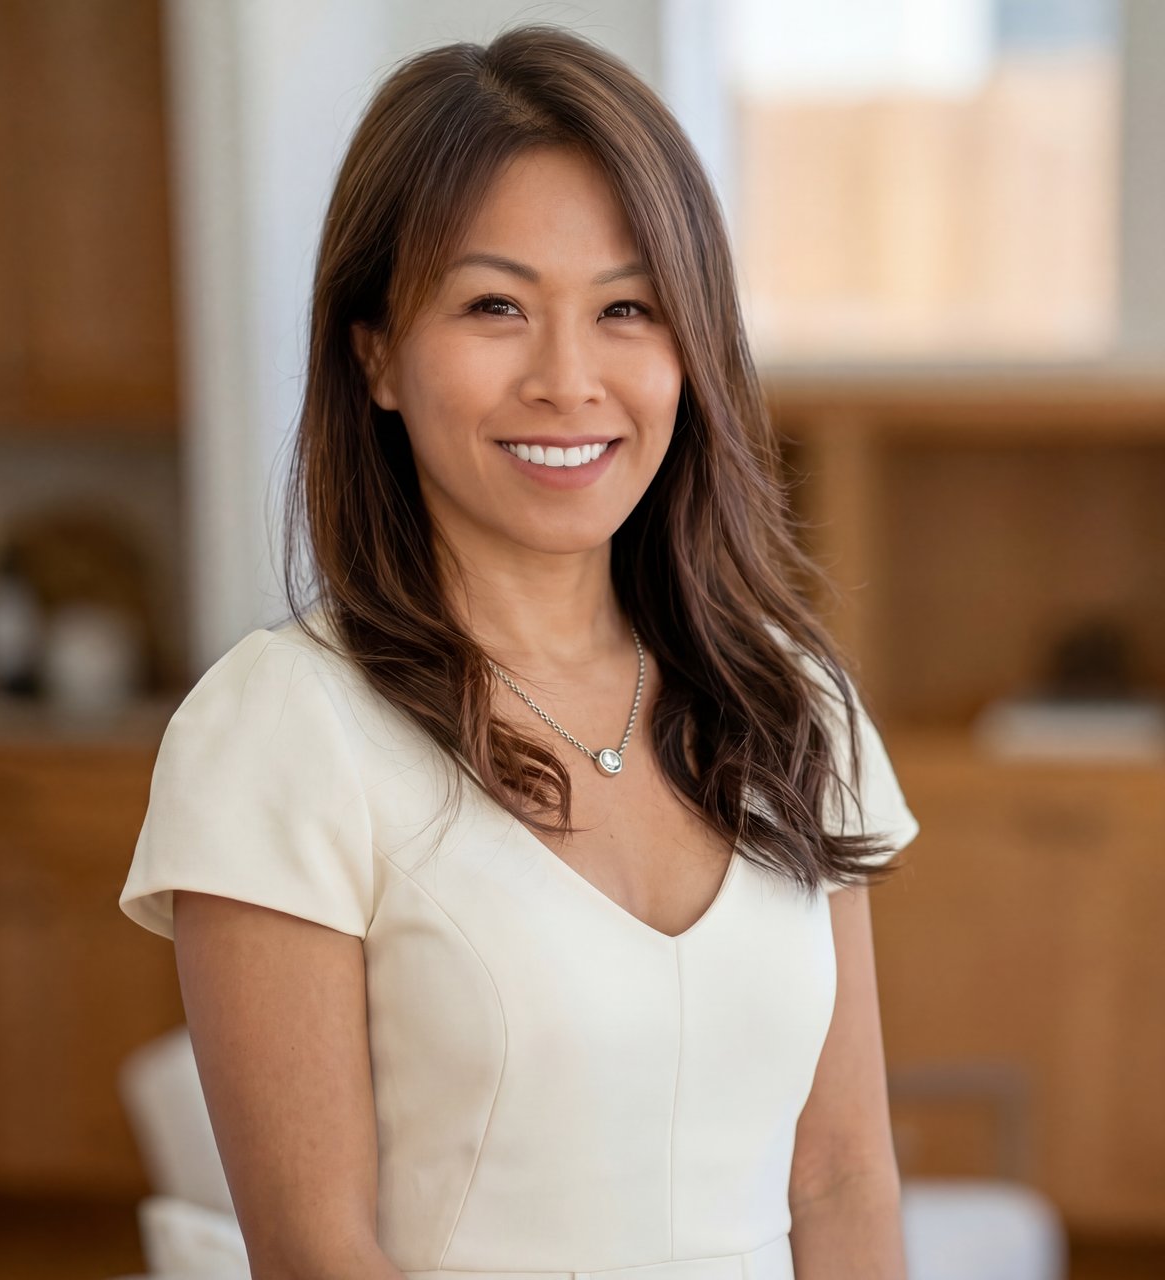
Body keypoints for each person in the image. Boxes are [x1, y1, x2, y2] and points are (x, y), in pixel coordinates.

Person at [119, 22, 921, 1280]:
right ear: (375, 349)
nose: (566, 377)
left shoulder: (789, 698)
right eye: (494, 305)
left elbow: (838, 1173)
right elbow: (317, 1251)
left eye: (625, 308)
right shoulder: (281, 730)